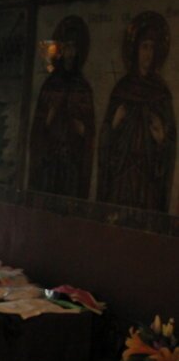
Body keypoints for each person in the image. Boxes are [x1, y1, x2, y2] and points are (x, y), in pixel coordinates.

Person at [97, 11, 175, 212]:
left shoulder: (161, 94)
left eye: (152, 47)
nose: (149, 53)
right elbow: (105, 139)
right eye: (144, 47)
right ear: (135, 50)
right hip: (122, 178)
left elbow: (170, 144)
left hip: (147, 182)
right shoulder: (122, 89)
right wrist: (114, 124)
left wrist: (161, 138)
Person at [28, 16, 96, 198]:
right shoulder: (50, 85)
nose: (70, 53)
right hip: (50, 162)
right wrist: (50, 116)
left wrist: (81, 129)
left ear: (79, 50)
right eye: (66, 47)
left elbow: (89, 134)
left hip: (72, 164)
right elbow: (37, 132)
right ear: (60, 51)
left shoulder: (83, 88)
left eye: (73, 47)